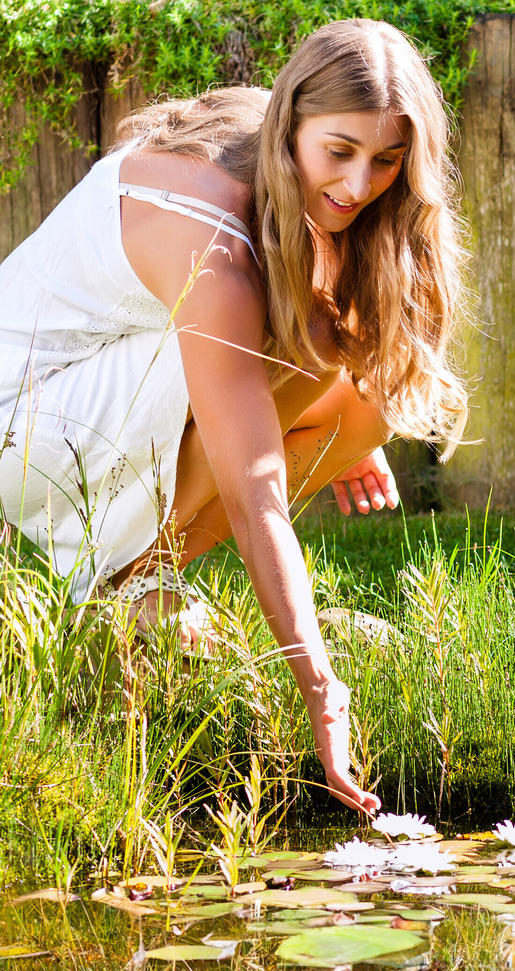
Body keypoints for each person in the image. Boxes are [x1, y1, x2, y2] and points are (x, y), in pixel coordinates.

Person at [0, 19, 470, 815]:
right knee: (311, 350)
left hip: (89, 389)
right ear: (290, 122)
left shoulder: (276, 153)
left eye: (387, 161)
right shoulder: (210, 247)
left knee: (370, 389)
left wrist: (343, 419)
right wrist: (319, 685)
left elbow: (318, 307)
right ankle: (127, 591)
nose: (359, 186)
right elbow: (258, 501)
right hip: (21, 419)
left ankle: (139, 586)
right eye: (341, 151)